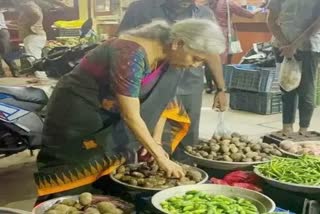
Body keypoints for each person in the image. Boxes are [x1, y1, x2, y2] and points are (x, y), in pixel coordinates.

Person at [35, 19, 225, 201]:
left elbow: (162, 102)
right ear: (179, 43)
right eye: (196, 58)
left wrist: (156, 143)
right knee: (75, 167)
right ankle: (62, 202)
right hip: (78, 111)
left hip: (113, 109)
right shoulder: (129, 53)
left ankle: (104, 198)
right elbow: (131, 115)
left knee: (114, 161)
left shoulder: (170, 59)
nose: (195, 65)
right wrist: (160, 157)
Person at [118, 0, 228, 163]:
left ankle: (184, 173)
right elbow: (123, 44)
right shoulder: (140, 8)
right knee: (142, 132)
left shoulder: (204, 14)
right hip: (149, 85)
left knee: (186, 136)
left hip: (190, 85)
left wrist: (221, 89)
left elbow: (210, 52)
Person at [268, 0, 320, 135]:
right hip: (283, 45)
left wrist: (293, 45)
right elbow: (271, 20)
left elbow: (317, 23)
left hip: (309, 46)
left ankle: (303, 130)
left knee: (306, 88)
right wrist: (287, 45)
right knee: (286, 86)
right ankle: (287, 127)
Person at [204, 0, 262, 93]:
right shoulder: (227, 3)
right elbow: (248, 14)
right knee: (223, 61)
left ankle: (209, 86)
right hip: (223, 34)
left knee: (209, 59)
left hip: (209, 33)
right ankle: (221, 87)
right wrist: (258, 9)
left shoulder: (207, 3)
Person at [0, 10, 18, 77]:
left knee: (6, 52)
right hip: (3, 31)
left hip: (1, 31)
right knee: (6, 52)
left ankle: (15, 70)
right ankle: (1, 73)